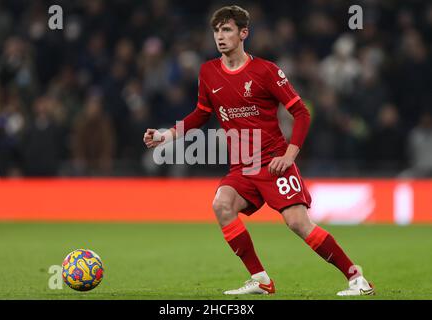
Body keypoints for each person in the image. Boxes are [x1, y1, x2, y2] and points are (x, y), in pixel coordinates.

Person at [143, 5, 374, 296]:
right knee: (221, 205)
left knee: (298, 223)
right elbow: (200, 114)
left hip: (274, 162)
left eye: (226, 29)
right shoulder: (208, 72)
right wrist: (167, 135)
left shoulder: (266, 71)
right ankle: (261, 279)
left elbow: (301, 113)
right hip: (243, 167)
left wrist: (289, 155)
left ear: (243, 33)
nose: (220, 36)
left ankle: (356, 278)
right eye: (216, 30)